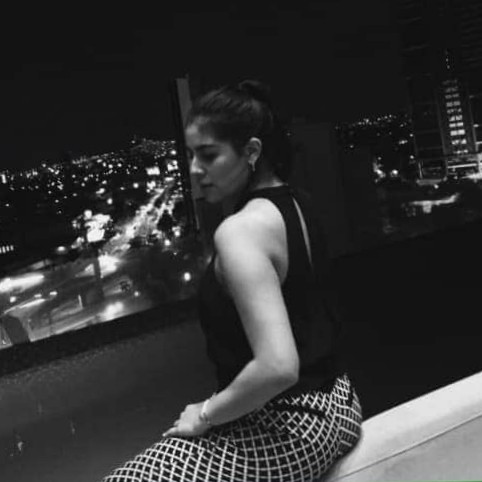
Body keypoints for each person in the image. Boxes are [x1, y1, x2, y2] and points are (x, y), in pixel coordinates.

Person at [102, 80, 362, 482]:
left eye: (209, 155)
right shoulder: (297, 202)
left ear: (251, 151)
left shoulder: (240, 231)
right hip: (341, 404)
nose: (195, 169)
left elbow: (278, 366)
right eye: (191, 155)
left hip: (290, 428)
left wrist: (205, 414)